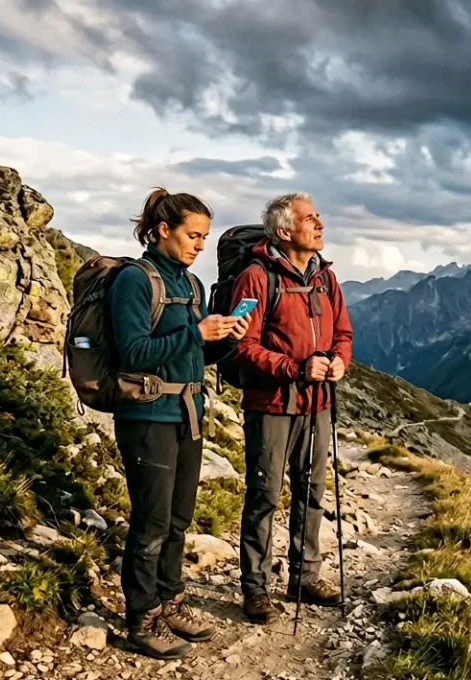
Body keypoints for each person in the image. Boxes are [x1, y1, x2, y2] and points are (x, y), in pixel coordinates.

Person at [109, 188, 250, 658]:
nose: (200, 246)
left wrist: (226, 339)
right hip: (147, 415)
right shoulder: (134, 280)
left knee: (177, 518)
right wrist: (197, 331)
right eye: (193, 235)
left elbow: (194, 353)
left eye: (205, 237)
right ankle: (141, 618)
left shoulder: (190, 285)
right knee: (150, 522)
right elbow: (134, 353)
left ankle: (169, 601)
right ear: (163, 230)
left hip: (188, 413)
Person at [228, 192, 353, 623]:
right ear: (284, 231)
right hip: (272, 405)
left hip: (318, 402)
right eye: (310, 218)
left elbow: (343, 332)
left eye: (318, 217)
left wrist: (339, 361)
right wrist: (296, 368)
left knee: (312, 490)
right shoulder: (256, 278)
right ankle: (256, 588)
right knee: (265, 495)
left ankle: (304, 576)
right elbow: (242, 347)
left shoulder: (325, 277)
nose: (320, 224)